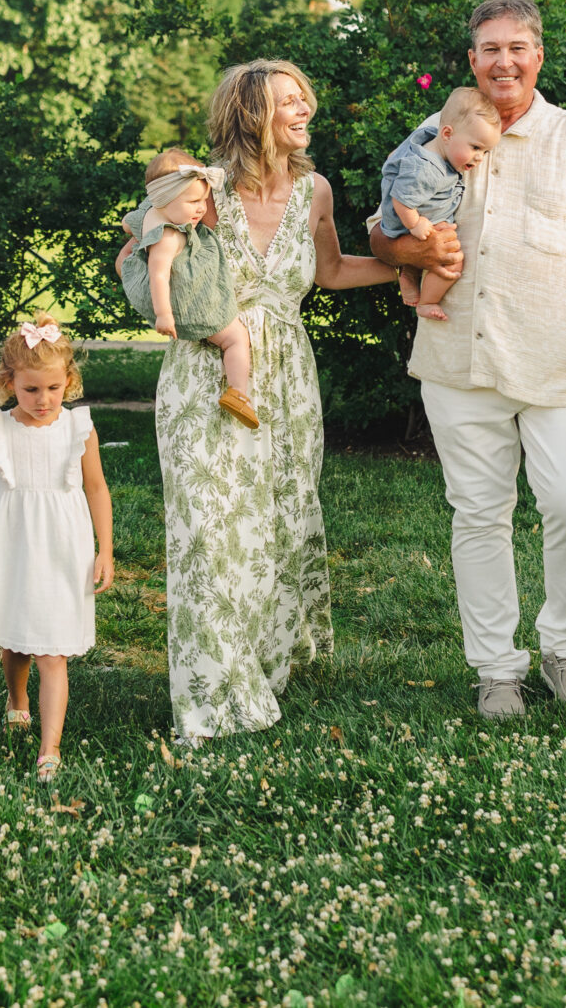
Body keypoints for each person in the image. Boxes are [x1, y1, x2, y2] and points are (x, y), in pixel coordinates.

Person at [369, 0, 566, 720]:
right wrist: (414, 249)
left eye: (517, 47)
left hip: (559, 362)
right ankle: (496, 668)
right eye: (489, 48)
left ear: (538, 56)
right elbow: (379, 236)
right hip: (460, 359)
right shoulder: (433, 134)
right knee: (479, 513)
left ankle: (565, 649)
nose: (504, 60)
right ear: (472, 60)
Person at [144, 59, 396, 746]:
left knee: (271, 527)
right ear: (252, 113)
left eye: (305, 97)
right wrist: (166, 259)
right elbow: (135, 255)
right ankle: (209, 694)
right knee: (207, 531)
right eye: (289, 100)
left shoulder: (316, 189)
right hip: (204, 372)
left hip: (287, 379)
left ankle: (255, 660)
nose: (305, 108)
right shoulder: (204, 187)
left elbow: (335, 268)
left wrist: (412, 266)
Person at [0, 315, 115, 783]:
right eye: (31, 390)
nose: (44, 400)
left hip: (64, 547)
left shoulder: (79, 426)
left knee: (52, 650)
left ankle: (49, 748)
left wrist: (106, 549)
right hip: (16, 543)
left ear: (68, 382)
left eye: (54, 389)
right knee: (17, 637)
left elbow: (96, 489)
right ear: (8, 383)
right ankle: (17, 699)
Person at [118, 149, 257, 428]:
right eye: (193, 201)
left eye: (204, 200)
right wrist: (164, 315)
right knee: (236, 338)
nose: (201, 209)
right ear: (165, 199)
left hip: (176, 301)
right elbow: (159, 274)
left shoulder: (148, 213)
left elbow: (127, 223)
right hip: (188, 303)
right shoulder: (169, 236)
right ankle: (238, 393)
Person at [376, 86, 504, 320]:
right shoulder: (427, 170)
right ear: (446, 134)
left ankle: (409, 272)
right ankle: (428, 302)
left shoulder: (429, 138)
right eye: (475, 147)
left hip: (421, 217)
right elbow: (401, 199)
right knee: (453, 261)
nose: (479, 158)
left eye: (485, 152)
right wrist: (415, 224)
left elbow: (395, 155)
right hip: (412, 222)